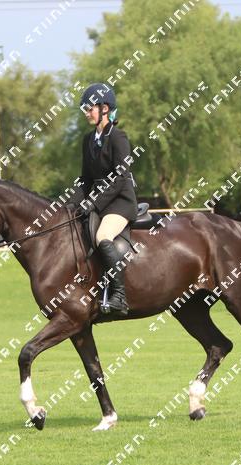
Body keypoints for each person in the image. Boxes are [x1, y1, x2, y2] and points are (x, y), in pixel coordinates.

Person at [68, 82, 138, 316]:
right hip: (98, 203)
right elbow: (85, 179)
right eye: (85, 109)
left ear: (104, 108)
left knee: (102, 236)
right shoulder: (88, 140)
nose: (87, 113)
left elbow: (120, 178)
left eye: (90, 108)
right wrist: (69, 204)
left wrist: (94, 203)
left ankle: (119, 296)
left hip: (120, 202)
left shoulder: (119, 137)